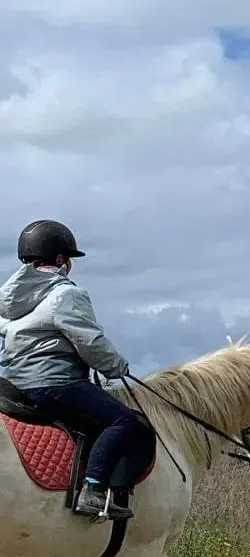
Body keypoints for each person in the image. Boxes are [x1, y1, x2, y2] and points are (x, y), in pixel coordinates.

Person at [0, 220, 149, 521]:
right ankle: (93, 490)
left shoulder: (9, 302)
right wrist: (116, 367)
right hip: (55, 382)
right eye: (67, 259)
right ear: (59, 259)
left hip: (15, 384)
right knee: (125, 422)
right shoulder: (66, 294)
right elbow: (89, 340)